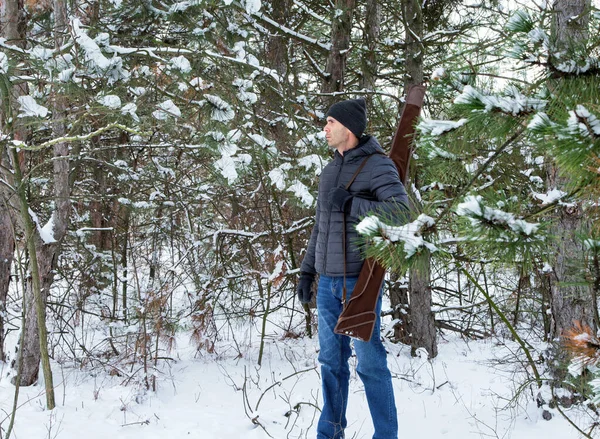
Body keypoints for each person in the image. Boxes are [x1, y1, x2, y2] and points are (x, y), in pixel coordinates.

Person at [297, 98, 408, 439]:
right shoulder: (330, 170)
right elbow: (321, 227)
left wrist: (352, 204)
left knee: (371, 364)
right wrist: (307, 271)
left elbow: (400, 213)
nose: (325, 129)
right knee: (330, 364)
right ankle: (329, 434)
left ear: (349, 128)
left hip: (360, 285)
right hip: (328, 284)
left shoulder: (379, 166)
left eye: (330, 122)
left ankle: (386, 436)